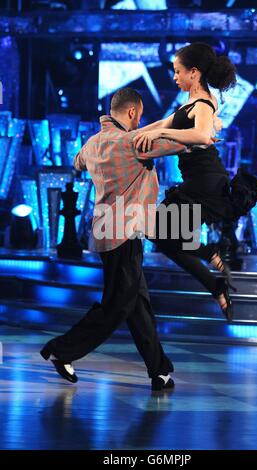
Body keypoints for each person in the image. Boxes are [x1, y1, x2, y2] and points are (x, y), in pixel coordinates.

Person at [40, 87, 209, 392]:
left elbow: (77, 162)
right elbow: (177, 145)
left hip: (106, 232)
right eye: (139, 117)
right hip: (124, 235)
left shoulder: (93, 143)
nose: (139, 122)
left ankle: (159, 371)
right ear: (132, 113)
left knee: (137, 304)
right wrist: (203, 137)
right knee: (117, 306)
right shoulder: (134, 142)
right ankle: (61, 350)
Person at [133, 42, 241, 320]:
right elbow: (162, 123)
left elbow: (202, 136)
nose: (174, 76)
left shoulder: (203, 103)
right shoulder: (191, 103)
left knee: (159, 232)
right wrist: (125, 135)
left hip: (205, 181)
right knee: (163, 236)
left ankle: (211, 254)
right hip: (198, 180)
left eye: (177, 71)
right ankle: (215, 281)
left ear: (194, 73)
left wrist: (159, 137)